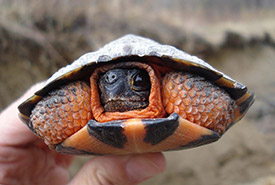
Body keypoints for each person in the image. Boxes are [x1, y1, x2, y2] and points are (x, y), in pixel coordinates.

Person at [0, 82, 166, 185]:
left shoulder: (169, 88)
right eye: (104, 86)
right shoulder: (82, 98)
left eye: (137, 82)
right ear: (97, 88)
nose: (116, 92)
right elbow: (40, 116)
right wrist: (48, 118)